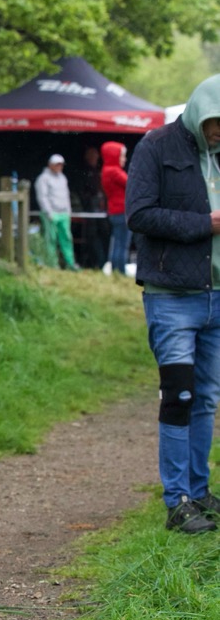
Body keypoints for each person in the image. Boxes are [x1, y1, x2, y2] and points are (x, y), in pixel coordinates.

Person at [126, 75, 220, 534]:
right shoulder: (156, 147)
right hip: (172, 297)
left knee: (206, 400)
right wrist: (206, 223)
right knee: (179, 396)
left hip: (217, 295)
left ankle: (200, 492)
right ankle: (177, 500)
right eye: (216, 123)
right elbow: (138, 214)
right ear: (201, 113)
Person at [34, 154, 79, 270]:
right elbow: (42, 197)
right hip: (51, 214)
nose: (59, 167)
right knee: (51, 239)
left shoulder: (63, 178)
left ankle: (70, 263)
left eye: (61, 165)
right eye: (57, 164)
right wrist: (48, 212)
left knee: (67, 239)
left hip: (63, 214)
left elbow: (66, 196)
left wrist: (68, 211)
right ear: (50, 165)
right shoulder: (43, 179)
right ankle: (52, 264)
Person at [76, 145, 109, 270]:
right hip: (91, 209)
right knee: (92, 236)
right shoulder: (84, 172)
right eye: (92, 156)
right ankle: (96, 263)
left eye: (96, 156)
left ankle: (104, 262)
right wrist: (89, 200)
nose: (95, 158)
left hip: (102, 209)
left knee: (104, 234)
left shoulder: (99, 171)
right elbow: (82, 191)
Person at [100, 141, 131, 275]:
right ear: (114, 156)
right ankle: (120, 271)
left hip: (115, 211)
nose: (124, 159)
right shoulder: (114, 171)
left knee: (117, 243)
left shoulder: (107, 170)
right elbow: (132, 184)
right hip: (122, 211)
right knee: (122, 244)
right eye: (122, 156)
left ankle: (116, 270)